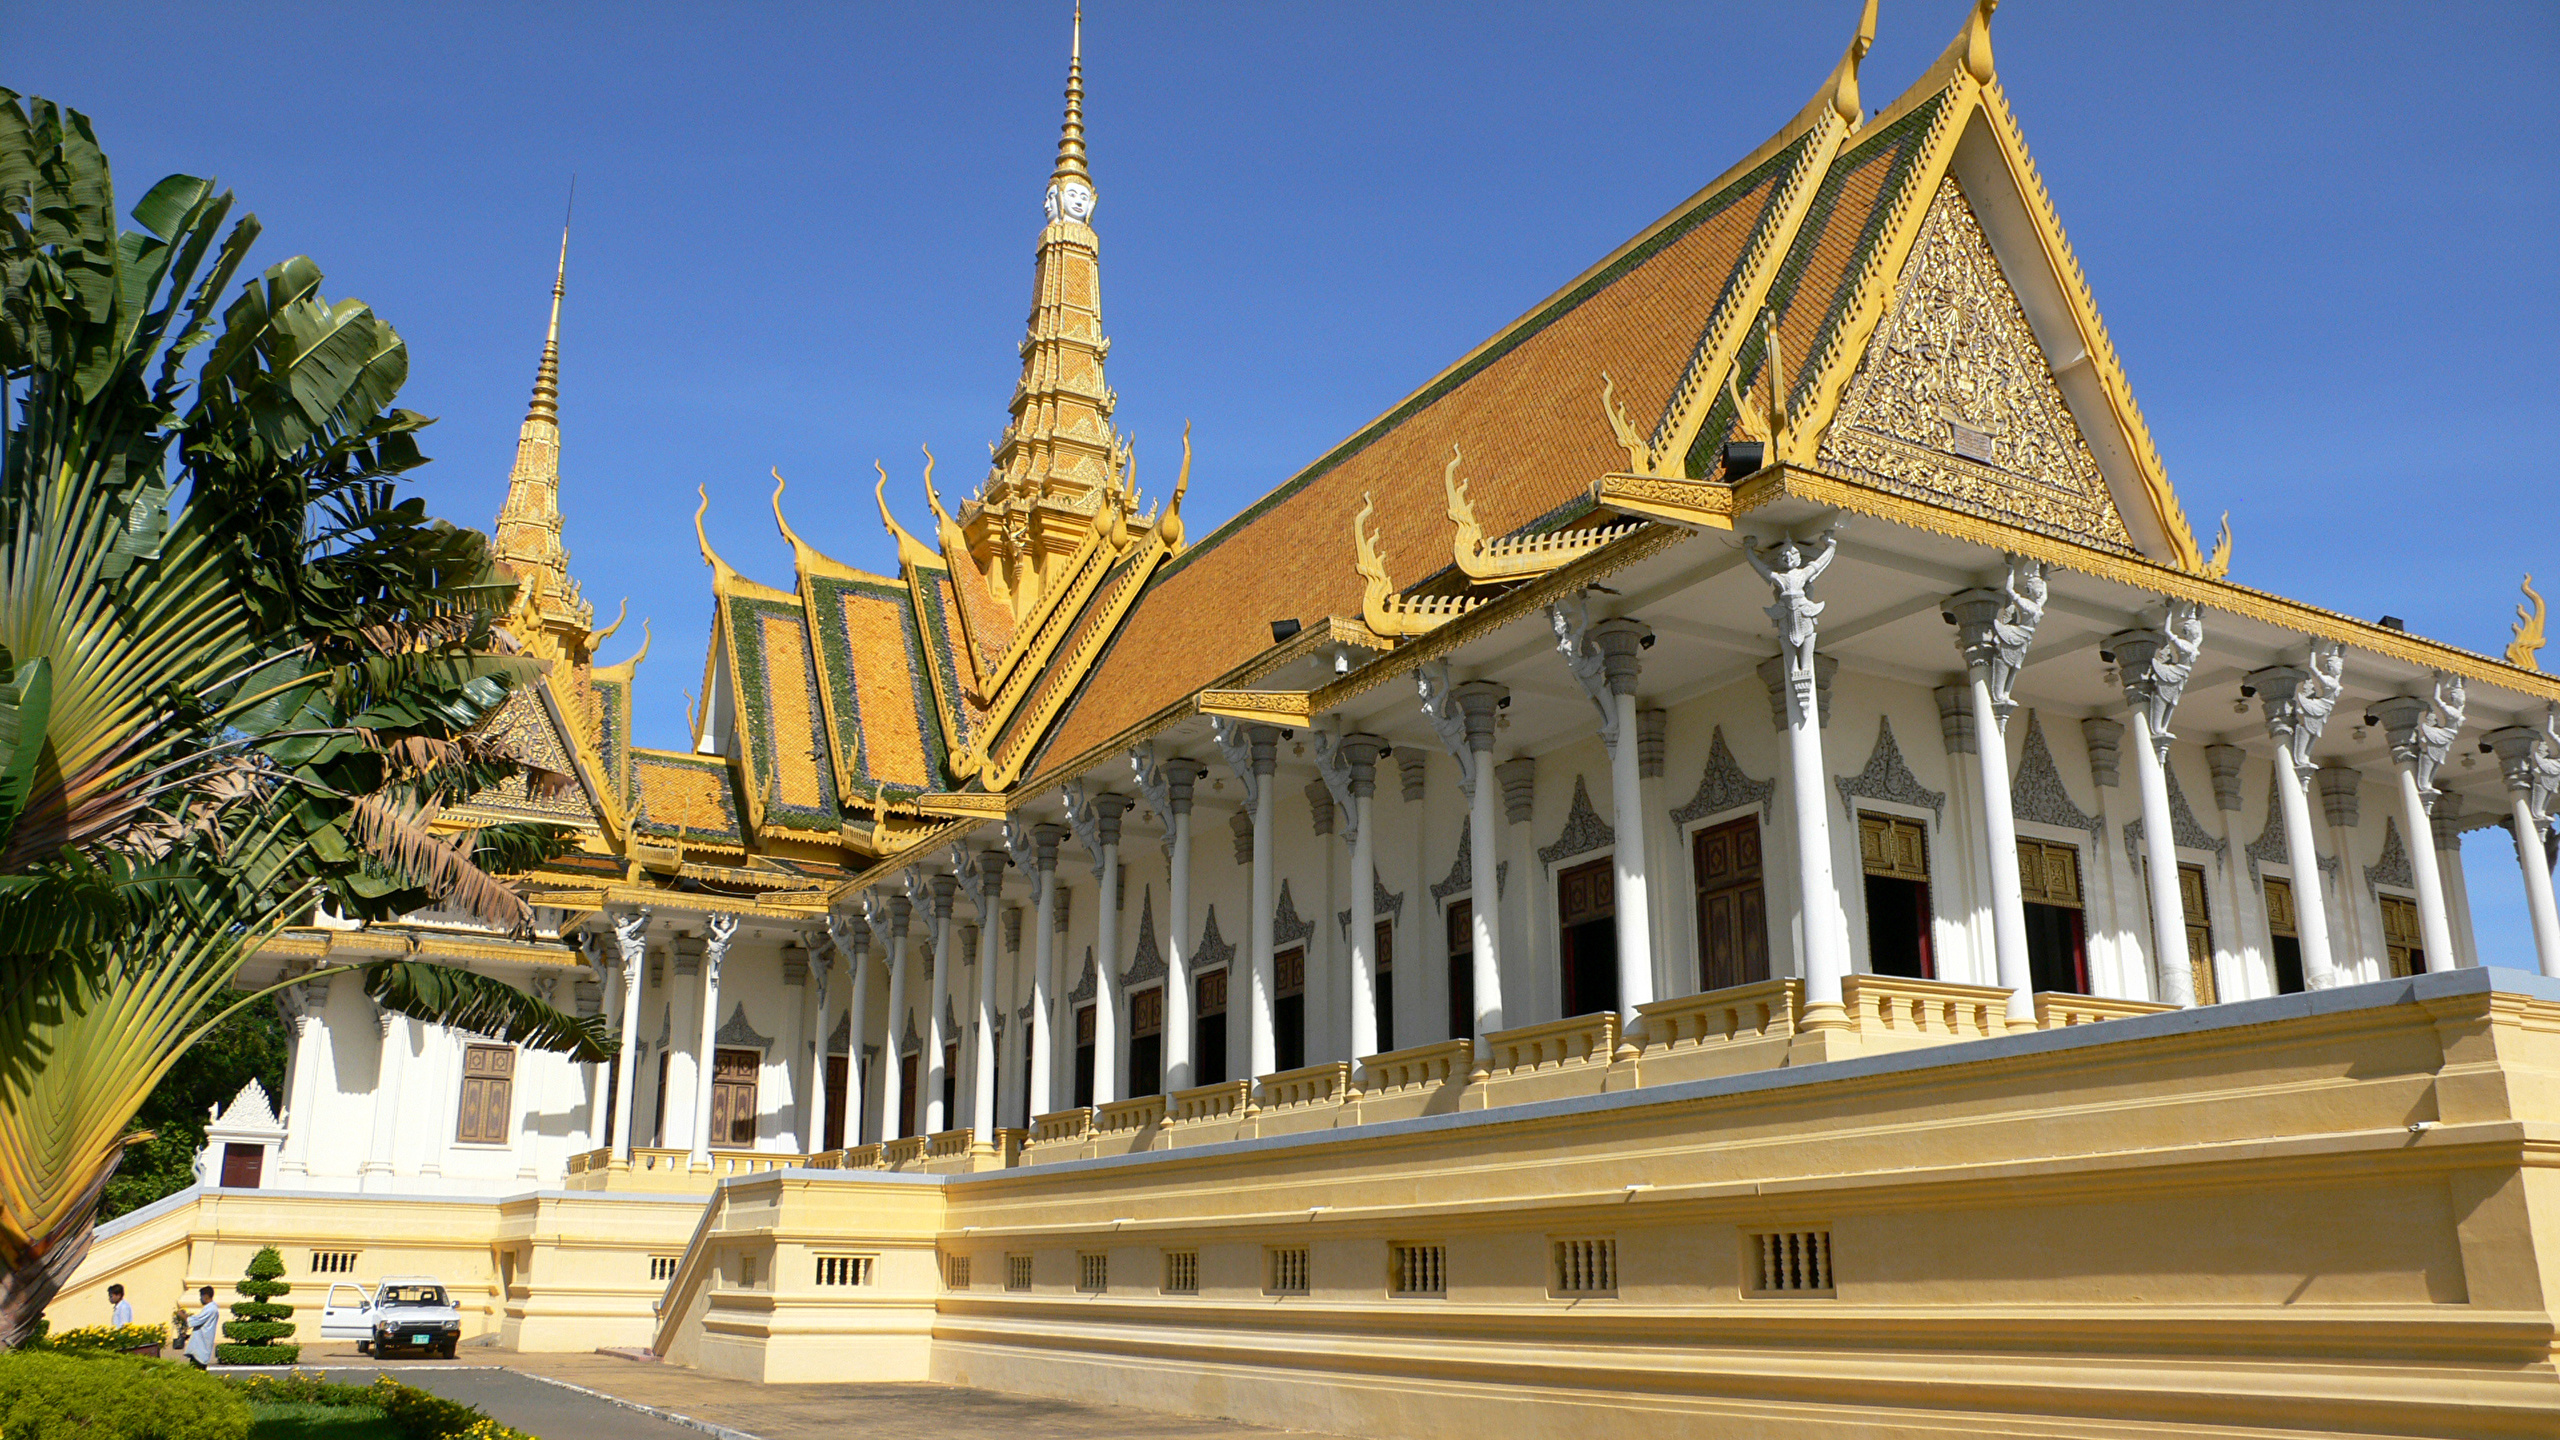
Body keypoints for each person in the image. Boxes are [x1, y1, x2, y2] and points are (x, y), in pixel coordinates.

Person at [184, 1285, 219, 1368]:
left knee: (197, 1370)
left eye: (201, 1296)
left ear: (206, 1297)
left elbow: (196, 1320)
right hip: (199, 1344)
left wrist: (183, 1316)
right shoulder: (209, 1308)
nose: (200, 1299)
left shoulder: (211, 1309)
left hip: (201, 1347)